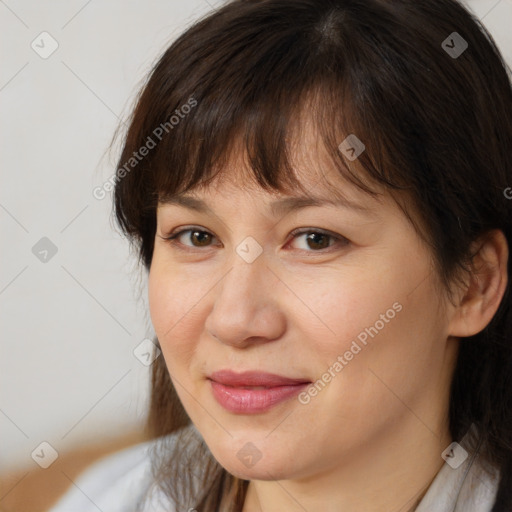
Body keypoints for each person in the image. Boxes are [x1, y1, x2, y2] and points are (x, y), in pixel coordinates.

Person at [50, 0, 512, 510]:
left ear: (474, 284)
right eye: (197, 236)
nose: (234, 320)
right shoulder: (106, 498)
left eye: (315, 238)